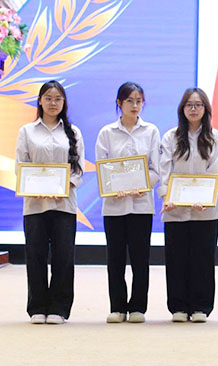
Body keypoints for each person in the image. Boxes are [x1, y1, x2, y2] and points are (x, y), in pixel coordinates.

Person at [16, 80, 84, 324]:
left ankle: (59, 307)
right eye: (48, 98)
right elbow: (21, 165)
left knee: (63, 257)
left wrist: (62, 188)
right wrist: (35, 189)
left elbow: (78, 170)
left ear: (63, 103)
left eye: (58, 98)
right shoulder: (27, 131)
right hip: (34, 205)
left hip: (64, 205)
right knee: (35, 255)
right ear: (40, 101)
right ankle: (37, 307)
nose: (53, 103)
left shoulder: (73, 132)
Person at [158, 87, 218, 323]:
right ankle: (177, 305)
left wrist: (206, 197)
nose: (194, 109)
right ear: (182, 109)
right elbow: (164, 169)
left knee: (203, 258)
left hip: (206, 209)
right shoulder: (170, 137)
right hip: (175, 208)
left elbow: (217, 171)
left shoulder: (216, 137)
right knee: (176, 258)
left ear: (205, 109)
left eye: (198, 105)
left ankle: (200, 306)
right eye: (189, 104)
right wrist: (167, 196)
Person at [95, 82, 160, 324]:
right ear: (119, 103)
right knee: (115, 259)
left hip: (142, 205)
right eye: (130, 100)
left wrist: (142, 186)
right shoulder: (106, 133)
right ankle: (117, 306)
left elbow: (156, 168)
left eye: (139, 101)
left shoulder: (151, 131)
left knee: (141, 258)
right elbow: (103, 168)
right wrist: (114, 188)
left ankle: (138, 308)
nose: (135, 105)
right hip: (114, 206)